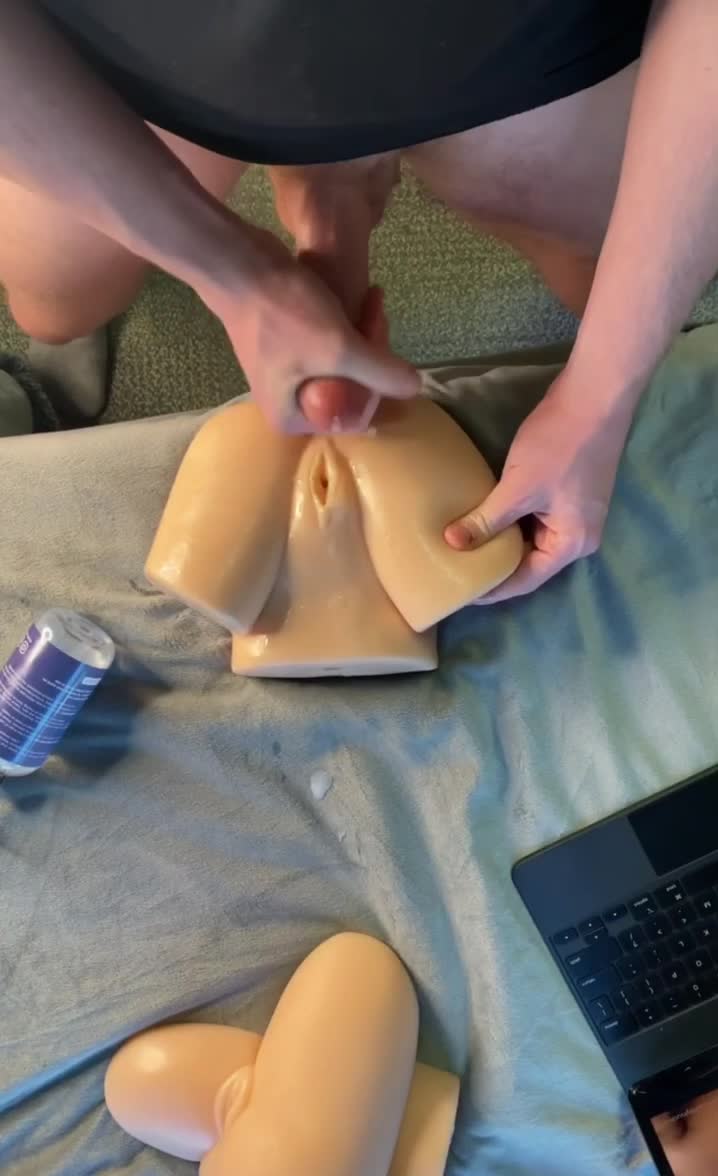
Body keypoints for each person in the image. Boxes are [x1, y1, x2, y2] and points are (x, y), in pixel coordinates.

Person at [0, 1, 716, 602]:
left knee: (608, 279)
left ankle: (337, 177)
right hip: (147, 60)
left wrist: (598, 398)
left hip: (521, 53)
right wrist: (236, 277)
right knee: (54, 304)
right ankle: (328, 175)